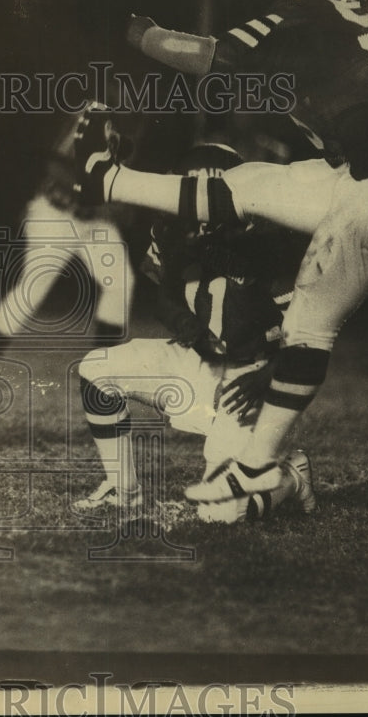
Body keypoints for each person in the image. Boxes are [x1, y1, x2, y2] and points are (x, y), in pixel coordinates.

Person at [74, 0, 368, 506]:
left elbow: (215, 55)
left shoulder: (309, 16)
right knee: (246, 184)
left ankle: (261, 470)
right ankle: (108, 181)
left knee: (308, 326)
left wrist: (135, 31)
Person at [75, 143, 315, 523]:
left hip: (251, 378)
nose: (196, 213)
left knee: (220, 513)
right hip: (198, 360)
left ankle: (290, 477)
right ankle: (123, 490)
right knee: (96, 369)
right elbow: (164, 296)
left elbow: (307, 335)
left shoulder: (272, 238)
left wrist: (268, 375)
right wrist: (187, 326)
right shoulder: (171, 228)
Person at [0, 117, 135, 375]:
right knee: (34, 285)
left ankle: (103, 365)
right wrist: (95, 191)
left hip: (94, 220)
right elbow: (57, 166)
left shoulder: (135, 123)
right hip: (57, 212)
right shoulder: (93, 113)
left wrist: (116, 202)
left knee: (121, 282)